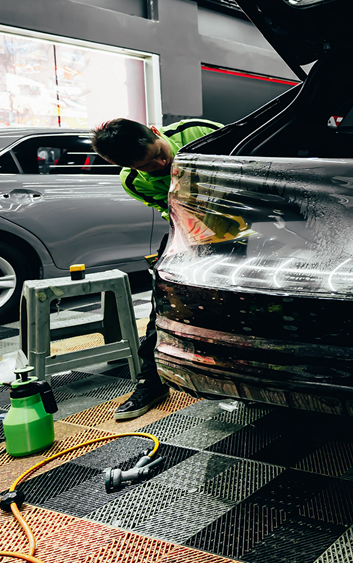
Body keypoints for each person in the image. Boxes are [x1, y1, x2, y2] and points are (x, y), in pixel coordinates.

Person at [91, 118, 222, 420]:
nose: (162, 164)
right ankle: (151, 382)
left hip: (258, 222)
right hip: (195, 231)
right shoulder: (132, 182)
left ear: (154, 132)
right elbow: (170, 211)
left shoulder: (197, 131)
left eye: (159, 153)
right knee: (163, 305)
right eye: (149, 166)